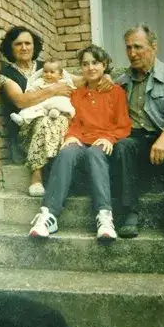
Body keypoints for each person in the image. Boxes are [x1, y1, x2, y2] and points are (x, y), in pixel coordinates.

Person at [28, 45, 131, 243]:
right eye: (85, 64)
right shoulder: (76, 94)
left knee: (95, 153)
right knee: (66, 153)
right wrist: (71, 136)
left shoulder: (116, 92)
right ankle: (49, 214)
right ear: (81, 68)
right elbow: (73, 121)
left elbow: (124, 124)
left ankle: (104, 216)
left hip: (103, 142)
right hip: (81, 140)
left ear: (104, 65)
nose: (90, 67)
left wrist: (110, 137)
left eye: (95, 63)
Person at [0, 26, 113, 197]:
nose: (24, 48)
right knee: (45, 121)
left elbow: (79, 81)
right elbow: (20, 101)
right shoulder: (7, 74)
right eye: (18, 44)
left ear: (34, 46)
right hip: (27, 127)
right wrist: (53, 90)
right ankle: (36, 176)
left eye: (28, 43)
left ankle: (62, 176)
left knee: (61, 120)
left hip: (54, 120)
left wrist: (105, 76)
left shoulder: (46, 66)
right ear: (10, 47)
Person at [112, 24, 164, 239]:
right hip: (136, 138)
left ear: (153, 47)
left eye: (138, 47)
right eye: (128, 48)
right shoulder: (121, 82)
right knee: (122, 147)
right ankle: (129, 213)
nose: (132, 53)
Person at [9, 59, 76, 126]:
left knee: (62, 101)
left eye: (52, 72)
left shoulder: (62, 82)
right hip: (43, 103)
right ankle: (22, 119)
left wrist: (71, 89)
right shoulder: (40, 81)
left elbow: (71, 88)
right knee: (32, 109)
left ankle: (57, 112)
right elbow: (33, 87)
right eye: (45, 72)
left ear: (60, 75)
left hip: (55, 102)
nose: (48, 74)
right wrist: (30, 90)